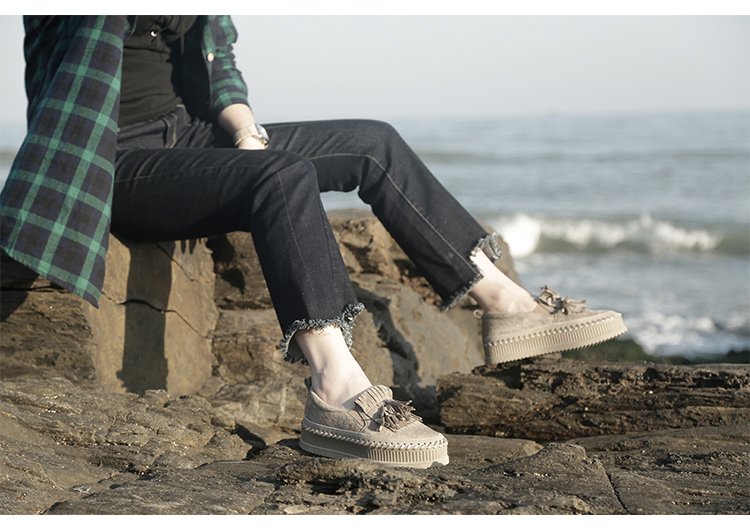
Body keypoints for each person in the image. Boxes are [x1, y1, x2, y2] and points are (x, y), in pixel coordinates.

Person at [1, 16, 626, 468]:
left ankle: (504, 304)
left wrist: (245, 134)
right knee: (283, 175)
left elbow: (220, 61)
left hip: (189, 135)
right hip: (108, 159)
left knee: (372, 142)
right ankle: (334, 386)